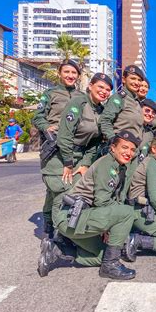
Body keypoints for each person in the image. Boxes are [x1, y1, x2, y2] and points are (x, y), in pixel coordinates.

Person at [38, 131, 139, 280]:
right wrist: (109, 224)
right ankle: (110, 266)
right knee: (127, 212)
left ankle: (58, 251)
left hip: (80, 218)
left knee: (104, 255)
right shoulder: (107, 164)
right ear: (113, 148)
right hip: (71, 217)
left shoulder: (118, 166)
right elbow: (102, 201)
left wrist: (108, 221)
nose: (128, 152)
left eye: (132, 150)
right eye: (124, 147)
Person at [41, 73, 113, 229]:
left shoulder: (101, 111)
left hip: (79, 157)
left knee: (59, 192)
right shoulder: (78, 102)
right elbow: (64, 135)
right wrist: (68, 162)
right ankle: (57, 236)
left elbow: (95, 141)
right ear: (90, 86)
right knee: (63, 194)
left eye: (107, 89)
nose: (104, 91)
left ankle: (49, 227)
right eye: (100, 87)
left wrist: (86, 162)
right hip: (59, 156)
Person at [32, 59, 84, 237]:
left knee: (59, 188)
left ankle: (50, 221)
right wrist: (47, 127)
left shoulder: (81, 96)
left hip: (74, 147)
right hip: (53, 147)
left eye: (73, 73)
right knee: (57, 186)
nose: (70, 76)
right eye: (67, 72)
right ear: (60, 74)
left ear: (78, 75)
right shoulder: (50, 94)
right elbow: (38, 117)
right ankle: (54, 227)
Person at [99, 65, 144, 141]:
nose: (136, 82)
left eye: (139, 80)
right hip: (120, 148)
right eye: (133, 78)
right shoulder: (119, 98)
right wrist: (114, 141)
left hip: (133, 148)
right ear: (123, 79)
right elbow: (105, 121)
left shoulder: (136, 102)